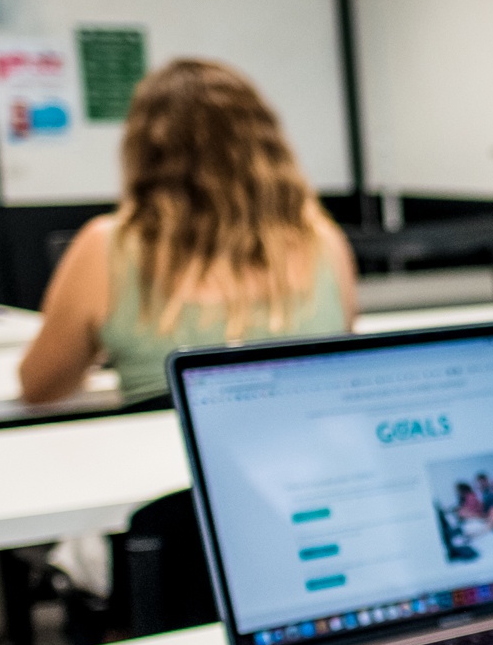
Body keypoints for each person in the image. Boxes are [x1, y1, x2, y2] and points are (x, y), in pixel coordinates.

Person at [19, 58, 356, 405]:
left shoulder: (106, 247)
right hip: (301, 455)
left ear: (144, 151)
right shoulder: (325, 243)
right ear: (267, 148)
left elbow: (41, 387)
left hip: (160, 456)